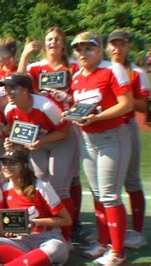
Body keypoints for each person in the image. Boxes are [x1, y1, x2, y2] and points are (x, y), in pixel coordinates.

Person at [69, 32, 133, 265]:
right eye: (79, 49)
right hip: (88, 138)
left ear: (98, 50)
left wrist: (97, 118)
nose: (83, 53)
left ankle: (118, 253)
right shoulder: (76, 76)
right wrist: (76, 116)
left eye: (88, 48)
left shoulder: (112, 69)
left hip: (112, 136)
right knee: (97, 193)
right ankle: (104, 242)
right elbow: (81, 108)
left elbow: (126, 104)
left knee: (109, 194)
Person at [18, 26, 82, 241]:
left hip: (65, 128)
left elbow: (81, 97)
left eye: (56, 39)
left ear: (63, 44)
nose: (53, 43)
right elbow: (18, 81)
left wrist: (67, 99)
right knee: (42, 184)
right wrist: (26, 54)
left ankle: (68, 230)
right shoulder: (37, 68)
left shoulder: (71, 67)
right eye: (49, 40)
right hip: (41, 130)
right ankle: (49, 228)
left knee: (64, 183)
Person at [1, 73, 76, 245]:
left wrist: (42, 140)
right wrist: (11, 143)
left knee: (60, 188)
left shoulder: (46, 107)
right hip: (38, 143)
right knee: (40, 185)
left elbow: (65, 131)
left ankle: (66, 235)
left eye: (13, 88)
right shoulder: (10, 110)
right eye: (6, 88)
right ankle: (43, 227)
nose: (8, 92)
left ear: (26, 90)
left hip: (61, 141)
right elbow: (19, 134)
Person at [0, 148, 72, 265]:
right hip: (22, 241)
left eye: (12, 163)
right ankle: (35, 262)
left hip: (47, 239)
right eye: (4, 163)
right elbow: (6, 220)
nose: (7, 167)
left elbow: (66, 220)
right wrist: (8, 230)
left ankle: (25, 261)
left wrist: (36, 222)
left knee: (56, 247)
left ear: (24, 166)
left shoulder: (41, 187)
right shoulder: (4, 189)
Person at [107, 29, 149, 249]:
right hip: (102, 131)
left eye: (121, 44)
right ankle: (107, 229)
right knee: (104, 186)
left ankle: (138, 230)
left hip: (126, 126)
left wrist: (124, 96)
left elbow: (144, 106)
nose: (117, 48)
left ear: (128, 47)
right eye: (113, 44)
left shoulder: (136, 73)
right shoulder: (103, 69)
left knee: (131, 180)